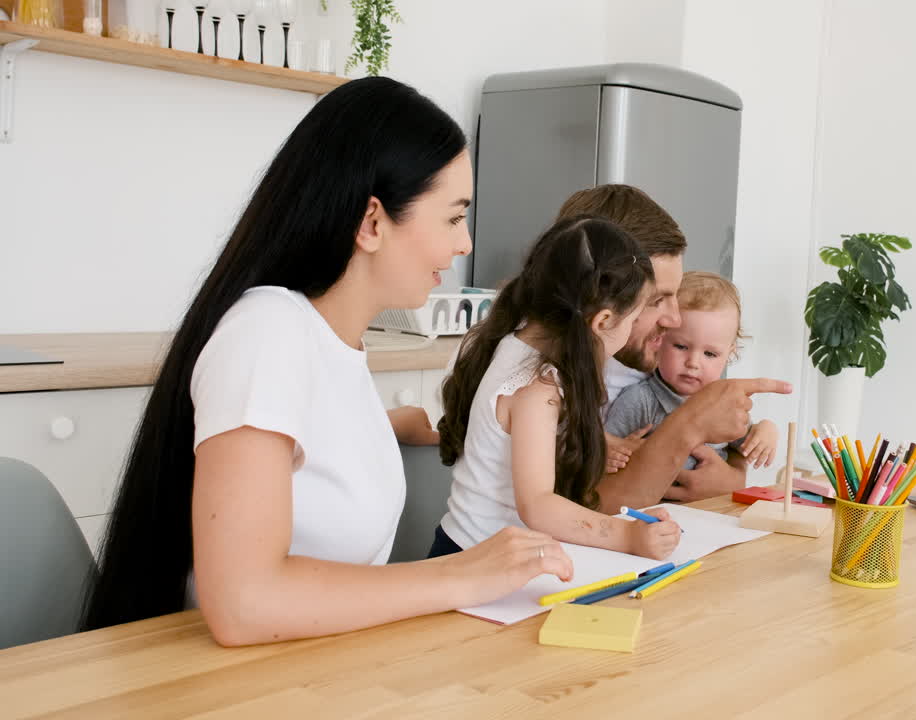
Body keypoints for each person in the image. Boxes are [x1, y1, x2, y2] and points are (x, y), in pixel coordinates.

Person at [81, 77, 572, 647]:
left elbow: (300, 447)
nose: (464, 244)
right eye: (453, 217)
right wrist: (458, 573)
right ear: (371, 222)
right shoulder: (267, 332)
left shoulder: (332, 343)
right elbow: (245, 603)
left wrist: (398, 427)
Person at [433, 217, 682, 561]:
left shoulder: (509, 339)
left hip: (467, 550)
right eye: (635, 316)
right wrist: (627, 535)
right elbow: (537, 505)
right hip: (476, 562)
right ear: (604, 321)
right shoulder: (537, 387)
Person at [554, 186, 792, 509]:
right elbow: (587, 499)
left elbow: (734, 449)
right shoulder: (558, 379)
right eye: (657, 300)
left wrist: (733, 478)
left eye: (710, 353)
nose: (673, 319)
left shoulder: (645, 358)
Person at [606, 271, 779, 472]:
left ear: (729, 354)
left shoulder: (724, 404)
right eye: (680, 346)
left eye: (710, 354)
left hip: (709, 502)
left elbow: (746, 442)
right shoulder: (640, 400)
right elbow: (603, 453)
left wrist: (766, 430)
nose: (693, 363)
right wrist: (613, 457)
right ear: (658, 340)